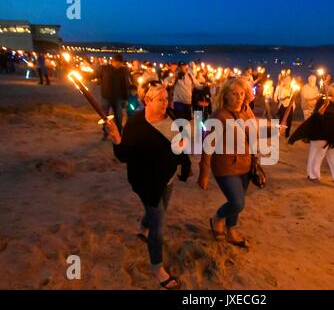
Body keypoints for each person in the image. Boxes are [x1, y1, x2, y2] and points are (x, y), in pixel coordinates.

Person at [106, 82, 191, 289]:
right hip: (146, 182)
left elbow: (178, 144)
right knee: (159, 223)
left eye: (166, 99)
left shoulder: (170, 116)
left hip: (167, 178)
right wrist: (117, 140)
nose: (166, 103)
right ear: (147, 101)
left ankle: (143, 228)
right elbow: (124, 155)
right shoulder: (136, 124)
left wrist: (184, 161)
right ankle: (157, 269)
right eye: (160, 99)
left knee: (157, 211)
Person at [197, 78, 258, 249]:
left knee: (237, 203)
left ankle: (231, 230)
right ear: (225, 96)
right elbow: (207, 146)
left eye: (241, 94)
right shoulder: (219, 116)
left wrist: (274, 130)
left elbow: (253, 132)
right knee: (237, 202)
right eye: (234, 94)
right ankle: (217, 218)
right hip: (225, 167)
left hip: (245, 165)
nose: (238, 98)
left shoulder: (246, 111)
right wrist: (204, 173)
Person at [288, 83, 334, 187]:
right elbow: (317, 115)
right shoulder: (323, 101)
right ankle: (312, 175)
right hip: (320, 135)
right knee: (316, 156)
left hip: (332, 137)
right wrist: (325, 105)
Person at [88, 54, 130, 138]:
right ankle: (105, 132)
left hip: (118, 98)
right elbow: (94, 75)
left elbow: (125, 85)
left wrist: (125, 99)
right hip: (105, 97)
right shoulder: (104, 69)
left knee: (118, 117)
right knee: (105, 117)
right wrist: (82, 75)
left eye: (120, 64)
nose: (119, 65)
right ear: (113, 62)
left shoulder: (123, 71)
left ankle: (119, 133)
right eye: (118, 63)